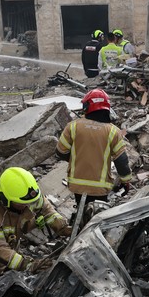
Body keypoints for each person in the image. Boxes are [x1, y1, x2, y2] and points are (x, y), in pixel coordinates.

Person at [0, 167, 71, 286]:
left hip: (11, 239)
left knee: (12, 274)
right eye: (21, 204)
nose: (27, 206)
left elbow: (47, 210)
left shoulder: (29, 195)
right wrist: (28, 264)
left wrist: (63, 228)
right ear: (5, 199)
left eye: (29, 202)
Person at [56, 89, 133, 227]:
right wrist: (126, 181)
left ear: (88, 107)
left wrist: (78, 159)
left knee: (81, 210)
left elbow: (61, 152)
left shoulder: (73, 127)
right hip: (100, 188)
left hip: (77, 184)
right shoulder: (113, 131)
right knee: (96, 219)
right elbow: (121, 161)